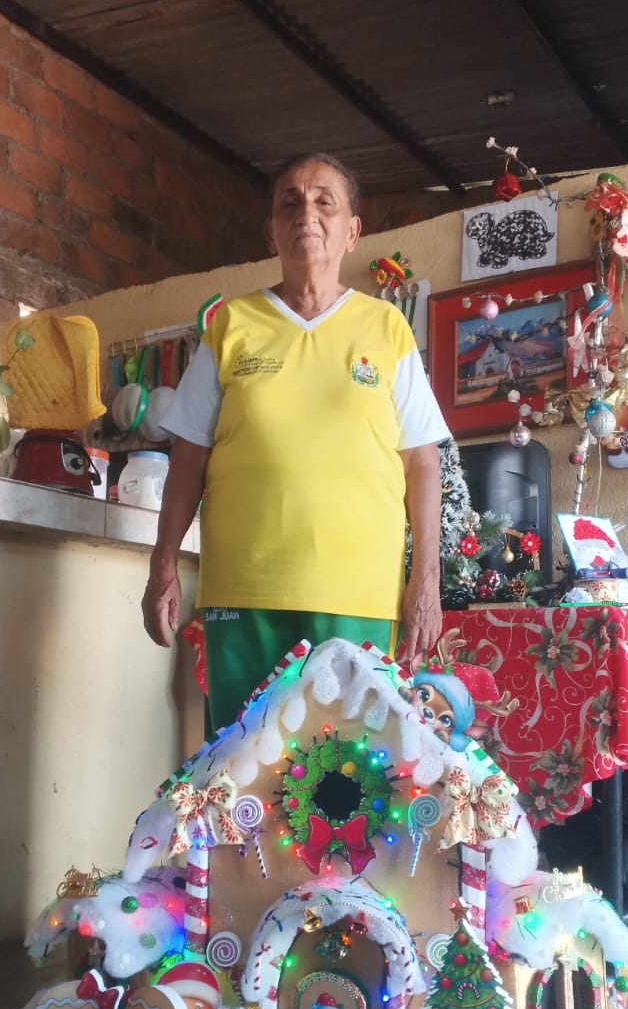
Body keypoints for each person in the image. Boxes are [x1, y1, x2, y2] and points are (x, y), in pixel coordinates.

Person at [142, 152, 450, 730]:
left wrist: (425, 580)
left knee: (350, 771)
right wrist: (163, 566)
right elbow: (187, 459)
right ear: (272, 233)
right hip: (245, 594)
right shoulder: (231, 325)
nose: (307, 213)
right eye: (291, 203)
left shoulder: (387, 329)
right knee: (243, 766)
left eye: (324, 202)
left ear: (352, 231)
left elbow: (421, 461)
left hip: (358, 597)